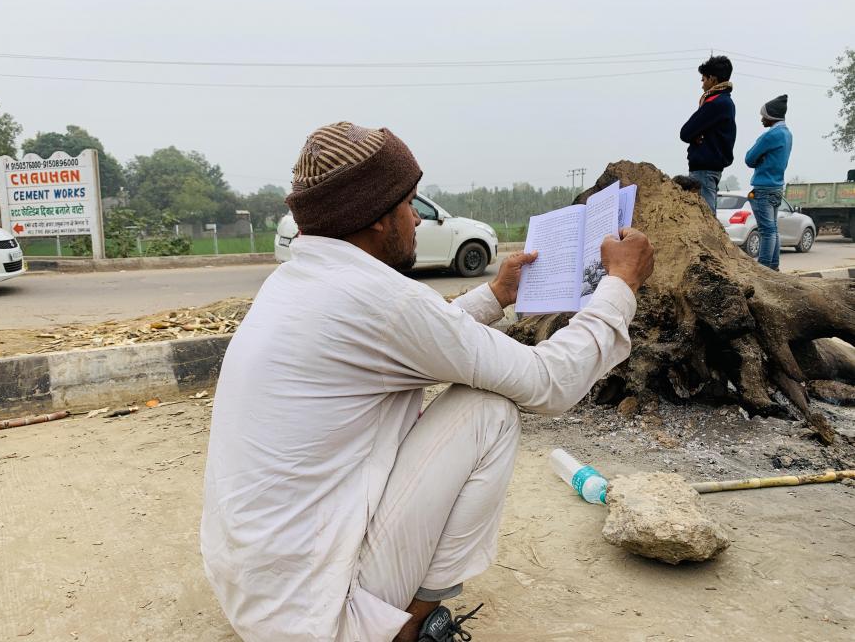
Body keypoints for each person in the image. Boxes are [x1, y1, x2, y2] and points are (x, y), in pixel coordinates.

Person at [200, 121, 655, 642]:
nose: (416, 218)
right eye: (408, 204)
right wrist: (620, 285)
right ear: (375, 219)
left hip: (257, 591)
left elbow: (412, 335)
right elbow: (550, 383)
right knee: (488, 412)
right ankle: (407, 626)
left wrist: (496, 295)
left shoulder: (300, 279)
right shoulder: (382, 299)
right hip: (314, 618)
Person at [679, 55, 737, 215]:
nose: (702, 84)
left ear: (713, 78)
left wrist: (695, 134)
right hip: (711, 168)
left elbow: (685, 132)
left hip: (704, 169)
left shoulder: (715, 103)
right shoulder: (726, 102)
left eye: (703, 79)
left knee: (705, 218)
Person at [745, 95, 793, 270]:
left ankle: (764, 268)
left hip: (763, 187)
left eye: (763, 115)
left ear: (771, 116)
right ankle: (773, 266)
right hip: (777, 187)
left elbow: (749, 159)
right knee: (773, 229)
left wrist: (760, 158)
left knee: (766, 230)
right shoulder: (787, 134)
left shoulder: (770, 135)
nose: (762, 119)